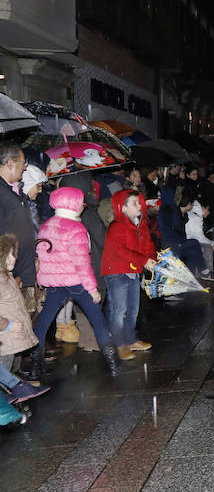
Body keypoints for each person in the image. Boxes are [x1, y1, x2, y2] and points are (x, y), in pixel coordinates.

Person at [27, 187, 121, 381]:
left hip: (54, 283)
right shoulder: (76, 228)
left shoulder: (46, 226)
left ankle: (36, 367)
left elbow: (41, 257)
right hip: (75, 282)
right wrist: (92, 289)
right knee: (97, 319)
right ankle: (114, 364)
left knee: (43, 322)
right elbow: (83, 264)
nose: (82, 207)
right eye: (81, 203)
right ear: (72, 204)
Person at [101, 190, 157, 361]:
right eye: (134, 203)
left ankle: (130, 339)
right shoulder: (117, 225)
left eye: (138, 202)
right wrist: (143, 260)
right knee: (119, 310)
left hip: (133, 270)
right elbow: (119, 250)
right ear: (123, 207)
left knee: (133, 309)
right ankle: (119, 344)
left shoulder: (141, 224)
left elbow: (148, 244)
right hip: (117, 271)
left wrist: (151, 260)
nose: (139, 205)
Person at [0, 233, 49, 402]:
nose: (15, 258)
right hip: (5, 337)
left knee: (6, 369)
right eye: (11, 254)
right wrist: (8, 325)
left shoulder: (7, 277)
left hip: (11, 338)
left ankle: (12, 394)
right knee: (4, 367)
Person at [0, 144, 36, 308]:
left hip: (22, 270)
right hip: (12, 274)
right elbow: (5, 235)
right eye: (23, 162)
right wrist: (10, 275)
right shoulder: (3, 195)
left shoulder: (14, 190)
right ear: (10, 163)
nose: (25, 167)